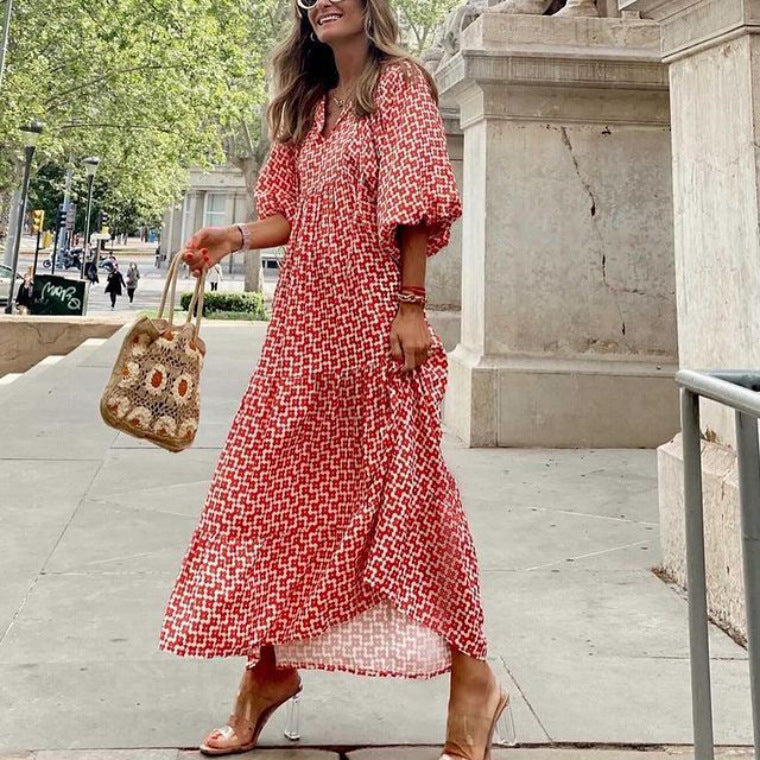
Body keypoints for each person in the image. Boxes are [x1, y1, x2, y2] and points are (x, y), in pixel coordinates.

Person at [158, 2, 514, 759]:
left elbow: (415, 203)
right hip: (302, 334)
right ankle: (267, 672)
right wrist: (232, 235)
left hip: (375, 332)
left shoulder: (401, 86)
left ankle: (473, 679)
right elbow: (291, 215)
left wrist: (411, 307)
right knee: (269, 499)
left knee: (411, 506)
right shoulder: (309, 105)